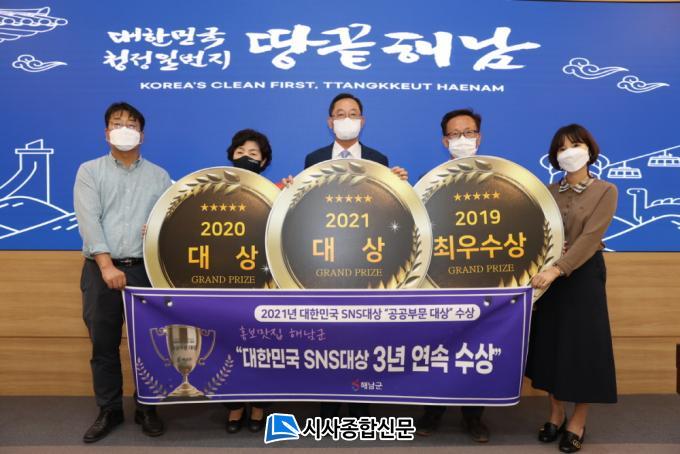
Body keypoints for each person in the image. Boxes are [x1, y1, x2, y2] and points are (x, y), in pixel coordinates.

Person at [74, 102, 172, 443]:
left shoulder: (160, 176)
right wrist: (106, 265)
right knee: (103, 344)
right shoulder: (90, 171)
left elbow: (168, 221)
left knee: (150, 344)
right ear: (107, 133)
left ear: (142, 135)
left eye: (131, 124)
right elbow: (89, 220)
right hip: (101, 269)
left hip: (145, 270)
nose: (124, 128)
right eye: (117, 123)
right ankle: (110, 409)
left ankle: (148, 407)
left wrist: (158, 228)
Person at [526, 124, 618, 453]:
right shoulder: (548, 192)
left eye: (576, 145)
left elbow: (591, 238)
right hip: (547, 279)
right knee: (551, 347)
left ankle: (577, 421)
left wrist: (558, 269)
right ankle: (555, 413)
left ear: (589, 150)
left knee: (582, 349)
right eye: (562, 148)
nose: (569, 152)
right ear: (555, 156)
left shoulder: (605, 190)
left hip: (582, 276)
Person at [414, 108, 489, 443]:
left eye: (468, 132)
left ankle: (474, 416)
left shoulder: (498, 177)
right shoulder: (430, 181)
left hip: (485, 277)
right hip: (441, 279)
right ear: (445, 141)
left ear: (479, 137)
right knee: (440, 348)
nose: (462, 139)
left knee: (478, 347)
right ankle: (432, 412)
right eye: (455, 134)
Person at [223, 128, 274, 433]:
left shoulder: (276, 191)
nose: (245, 157)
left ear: (263, 161)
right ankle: (234, 407)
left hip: (264, 282)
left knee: (263, 345)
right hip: (225, 281)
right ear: (231, 156)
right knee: (229, 343)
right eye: (240, 152)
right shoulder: (213, 192)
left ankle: (259, 406)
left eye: (253, 154)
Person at [303, 93, 408, 180]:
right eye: (341, 115)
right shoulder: (314, 159)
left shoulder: (378, 159)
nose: (347, 119)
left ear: (361, 121)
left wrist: (397, 182)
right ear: (330, 122)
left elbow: (383, 195)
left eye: (353, 114)